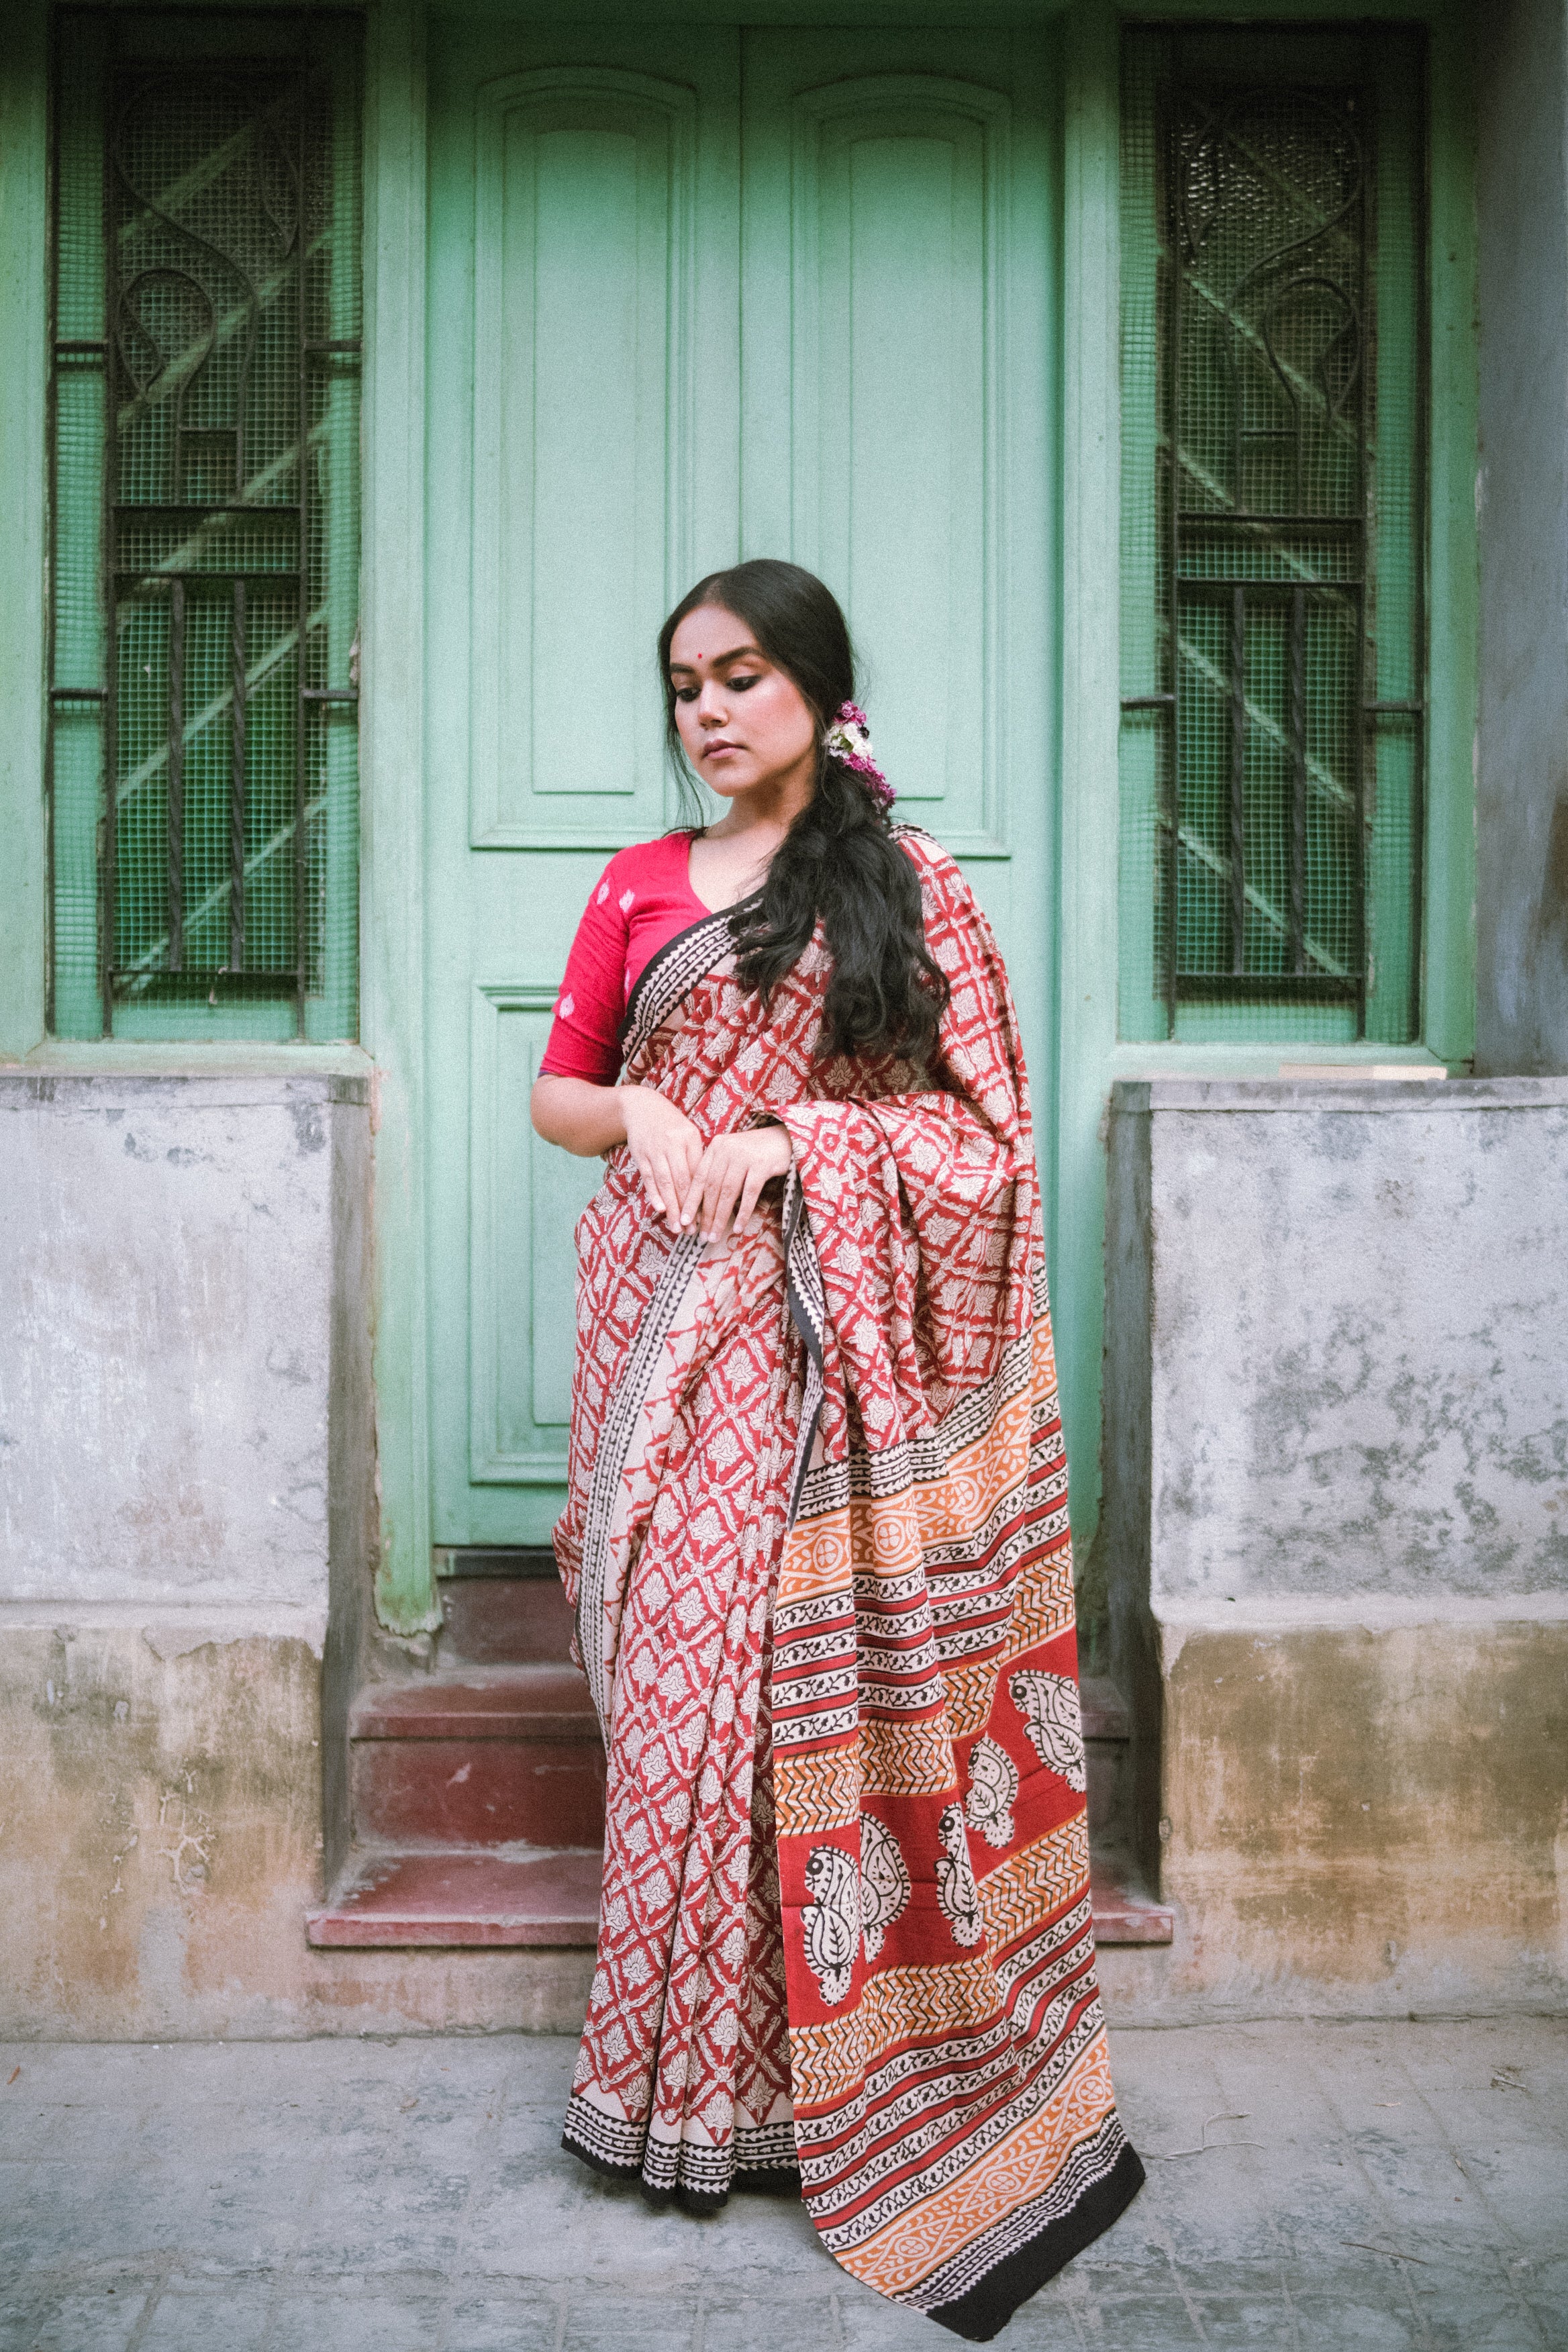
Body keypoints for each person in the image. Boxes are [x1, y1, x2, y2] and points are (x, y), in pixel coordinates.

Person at [531, 560, 1142, 2341]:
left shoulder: (910, 890)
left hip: (827, 1356)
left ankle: (805, 2096)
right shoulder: (637, 886)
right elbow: (560, 1093)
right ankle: (668, 2085)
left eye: (738, 676)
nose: (706, 711)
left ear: (815, 688)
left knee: (775, 1695)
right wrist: (644, 1102)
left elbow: (986, 1147)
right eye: (680, 688)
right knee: (676, 1698)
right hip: (660, 1338)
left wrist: (806, 1135)